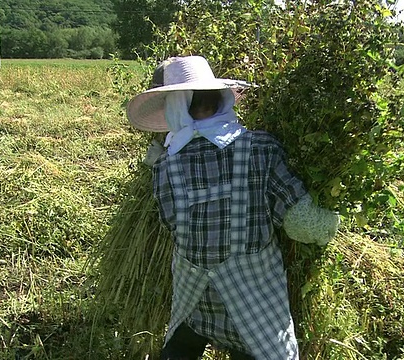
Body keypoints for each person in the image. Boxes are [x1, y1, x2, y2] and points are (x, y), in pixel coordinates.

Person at [126, 56, 339, 360]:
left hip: (197, 305)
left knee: (180, 346)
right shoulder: (259, 149)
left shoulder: (164, 166)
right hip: (253, 311)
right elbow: (300, 224)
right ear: (220, 98)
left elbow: (170, 222)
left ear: (176, 107)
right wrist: (329, 223)